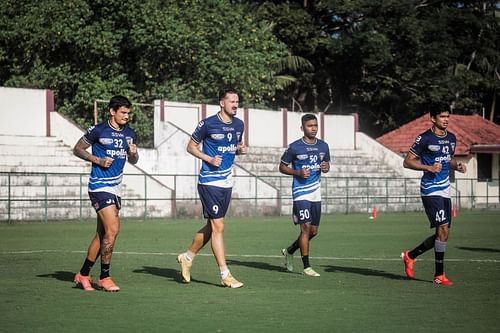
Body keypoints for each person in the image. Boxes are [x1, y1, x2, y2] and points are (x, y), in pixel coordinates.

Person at [177, 88, 246, 288]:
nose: (235, 104)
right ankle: (225, 274)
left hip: (227, 182)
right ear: (221, 103)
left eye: (237, 101)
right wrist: (208, 159)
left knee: (212, 227)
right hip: (209, 182)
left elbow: (233, 149)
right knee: (219, 227)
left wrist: (239, 151)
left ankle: (187, 257)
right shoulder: (207, 124)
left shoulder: (239, 125)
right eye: (232, 101)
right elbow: (190, 146)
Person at [73, 95, 139, 292]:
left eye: (128, 113)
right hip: (99, 186)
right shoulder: (99, 130)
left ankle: (83, 274)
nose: (126, 116)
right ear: (112, 111)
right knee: (113, 230)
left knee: (102, 234)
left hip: (115, 188)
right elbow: (78, 149)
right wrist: (97, 160)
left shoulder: (130, 134)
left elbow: (133, 160)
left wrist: (134, 153)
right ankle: (104, 276)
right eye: (123, 112)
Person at [401, 103, 466, 286]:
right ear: (433, 118)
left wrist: (457, 166)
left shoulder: (452, 138)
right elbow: (407, 162)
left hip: (445, 189)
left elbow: (448, 159)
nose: (446, 120)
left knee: (443, 234)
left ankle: (410, 256)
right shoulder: (424, 138)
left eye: (448, 117)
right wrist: (427, 167)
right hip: (430, 189)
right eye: (442, 117)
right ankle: (439, 275)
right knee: (443, 228)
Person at [280, 114, 331, 277]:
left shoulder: (324, 146)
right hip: (300, 192)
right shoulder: (295, 147)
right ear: (302, 128)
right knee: (305, 228)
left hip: (316, 192)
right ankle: (306, 266)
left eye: (315, 125)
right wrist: (297, 172)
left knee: (313, 232)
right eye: (310, 126)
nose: (313, 128)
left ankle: (289, 251)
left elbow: (327, 165)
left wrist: (325, 167)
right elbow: (282, 167)